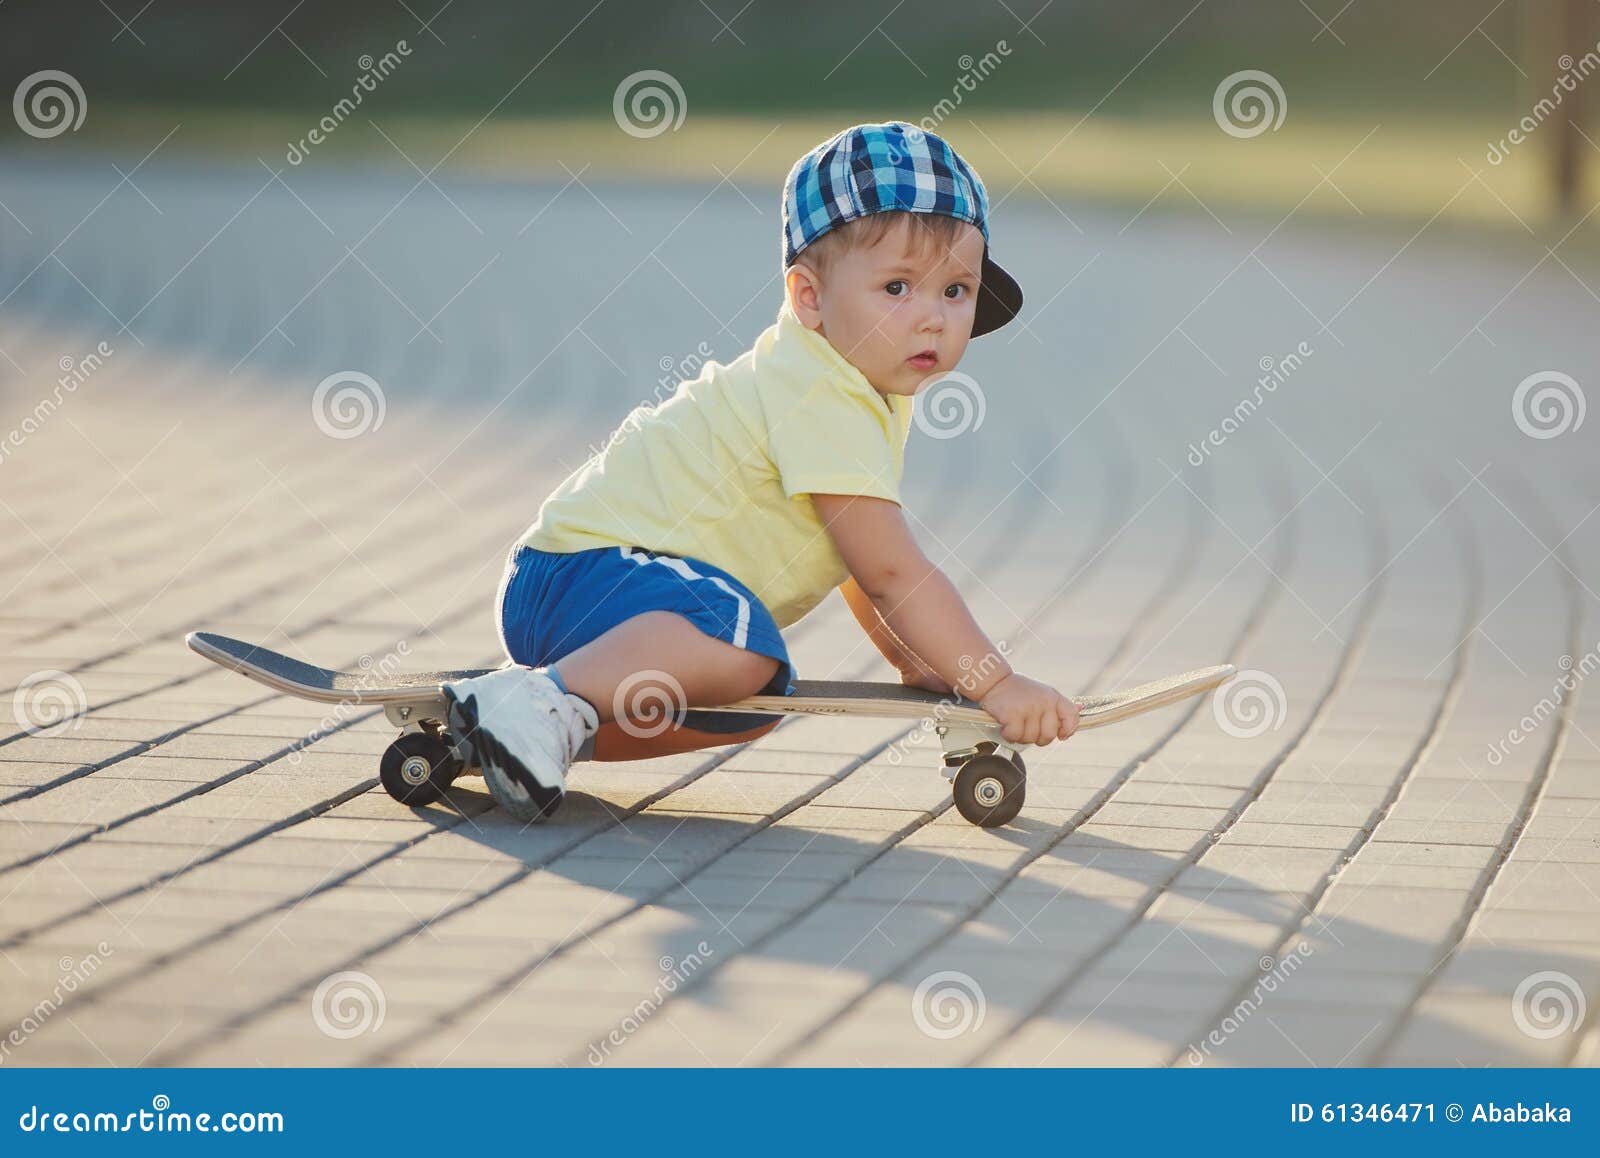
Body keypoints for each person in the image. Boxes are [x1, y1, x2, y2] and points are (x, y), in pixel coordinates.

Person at [444, 121, 1080, 822]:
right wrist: (995, 682)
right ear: (809, 297)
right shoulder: (817, 392)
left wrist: (918, 663)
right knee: (744, 648)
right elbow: (892, 572)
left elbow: (856, 560)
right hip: (584, 577)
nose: (932, 318)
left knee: (749, 704)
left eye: (956, 291)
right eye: (897, 287)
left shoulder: (851, 384)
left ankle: (527, 732)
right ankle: (538, 703)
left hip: (605, 597)